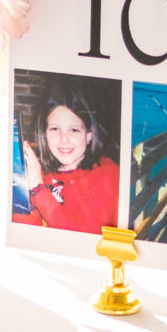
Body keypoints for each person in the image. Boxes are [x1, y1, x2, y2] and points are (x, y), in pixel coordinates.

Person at [14, 86, 119, 235]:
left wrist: (37, 189)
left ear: (89, 134)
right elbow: (30, 222)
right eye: (55, 129)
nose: (64, 140)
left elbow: (83, 237)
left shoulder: (107, 174)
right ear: (45, 133)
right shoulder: (44, 170)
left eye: (74, 130)